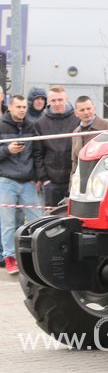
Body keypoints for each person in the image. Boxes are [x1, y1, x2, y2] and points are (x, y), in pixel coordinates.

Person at [0, 95, 45, 273]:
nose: (22, 110)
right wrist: (7, 150)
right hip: (6, 180)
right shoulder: (1, 126)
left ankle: (37, 255)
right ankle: (10, 257)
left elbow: (38, 153)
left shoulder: (31, 126)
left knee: (37, 220)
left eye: (24, 107)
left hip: (28, 181)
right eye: (18, 106)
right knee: (7, 222)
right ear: (10, 107)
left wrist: (40, 177)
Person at [33, 86, 80, 208]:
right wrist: (44, 179)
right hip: (51, 182)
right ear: (48, 102)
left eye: (60, 100)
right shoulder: (40, 123)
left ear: (66, 99)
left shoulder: (77, 119)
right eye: (53, 101)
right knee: (51, 220)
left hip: (74, 180)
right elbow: (38, 153)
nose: (57, 103)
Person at [71, 96, 108, 174]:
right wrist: (73, 183)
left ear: (94, 109)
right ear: (76, 113)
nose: (86, 112)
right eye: (82, 110)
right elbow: (75, 162)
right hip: (82, 179)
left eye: (88, 108)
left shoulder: (107, 127)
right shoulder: (76, 133)